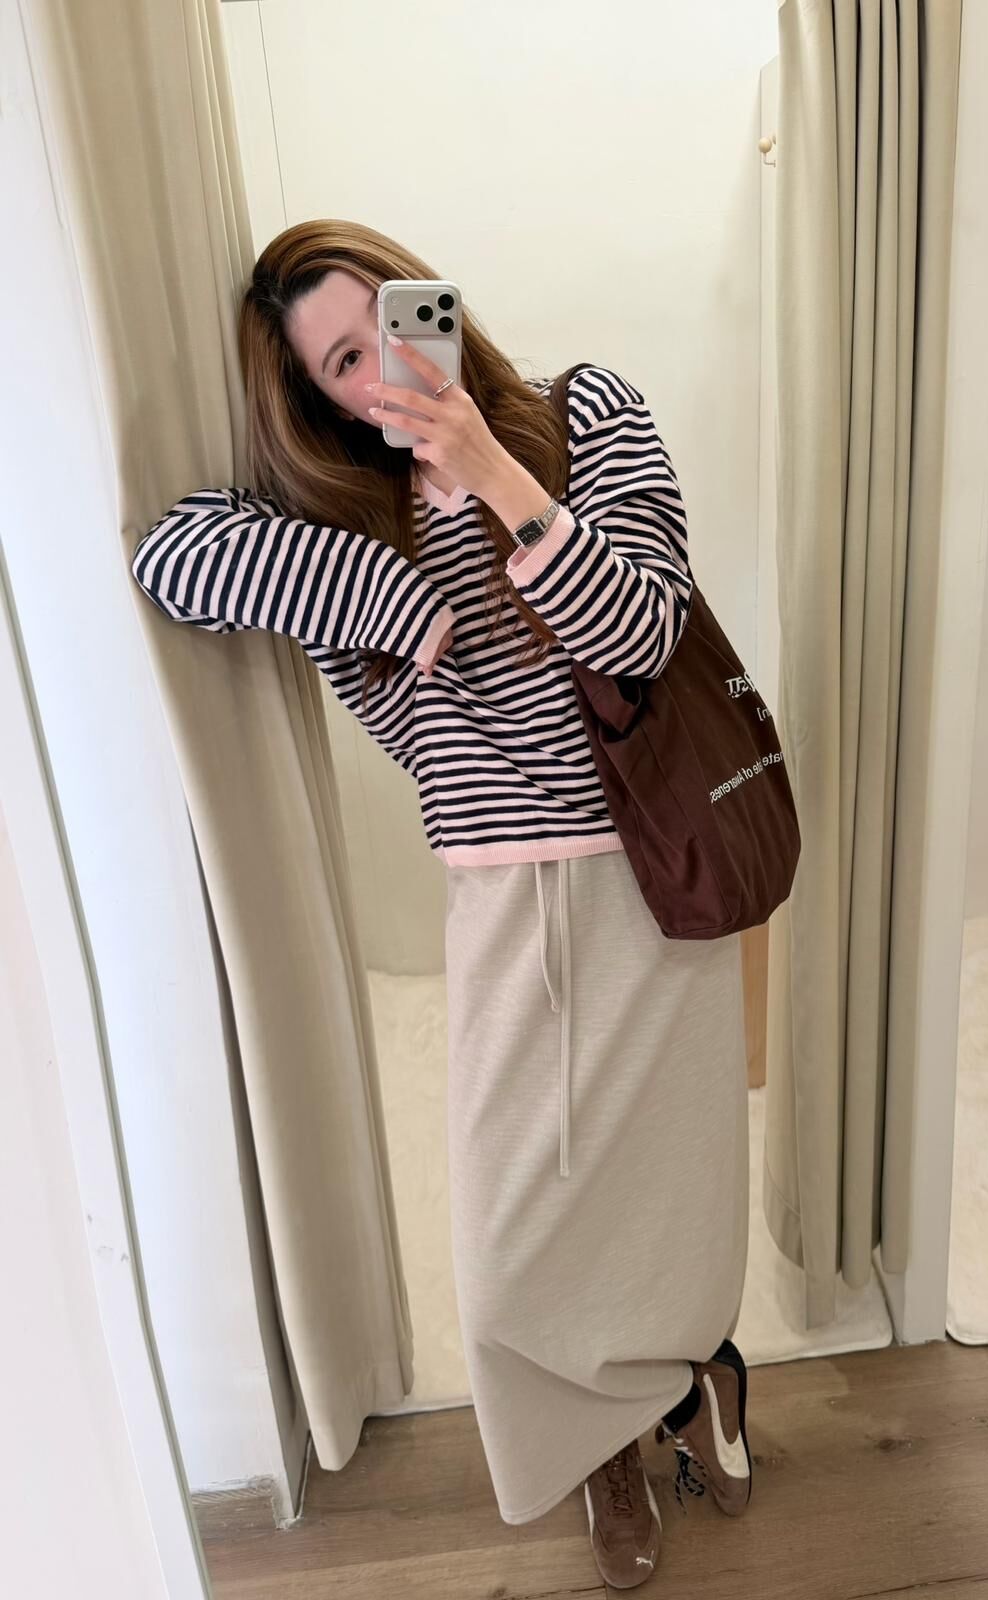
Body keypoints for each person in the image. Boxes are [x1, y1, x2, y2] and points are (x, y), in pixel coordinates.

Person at [131, 218, 752, 1589]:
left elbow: (643, 633)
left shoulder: (588, 415)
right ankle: (594, 1438)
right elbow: (168, 555)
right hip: (501, 905)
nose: (382, 371)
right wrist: (381, 589)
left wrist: (491, 472)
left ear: (439, 303)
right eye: (343, 362)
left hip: (654, 876)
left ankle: (687, 1382)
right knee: (510, 1244)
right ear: (318, 398)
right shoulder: (345, 520)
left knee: (674, 1195)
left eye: (390, 324)